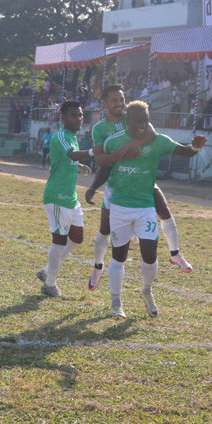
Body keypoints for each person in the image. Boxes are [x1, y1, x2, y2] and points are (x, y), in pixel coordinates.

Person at [94, 100, 206, 317]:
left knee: (150, 257)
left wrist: (195, 147)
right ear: (127, 120)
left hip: (145, 208)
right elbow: (104, 167)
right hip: (120, 207)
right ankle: (116, 303)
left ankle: (146, 291)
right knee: (119, 257)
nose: (142, 125)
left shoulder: (158, 141)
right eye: (137, 121)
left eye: (145, 120)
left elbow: (184, 151)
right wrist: (93, 188)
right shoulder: (113, 142)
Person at [84, 84, 194, 294]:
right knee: (105, 229)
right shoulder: (100, 128)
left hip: (142, 180)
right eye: (114, 100)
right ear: (105, 104)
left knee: (164, 209)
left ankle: (175, 253)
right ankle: (98, 266)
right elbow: (100, 160)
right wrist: (120, 155)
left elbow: (151, 133)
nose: (119, 104)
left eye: (122, 99)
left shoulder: (133, 116)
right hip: (117, 186)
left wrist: (129, 146)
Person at [35, 100, 93, 296]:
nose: (79, 118)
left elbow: (63, 159)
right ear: (64, 118)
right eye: (74, 115)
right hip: (57, 196)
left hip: (70, 197)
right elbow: (72, 155)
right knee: (59, 242)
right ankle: (50, 284)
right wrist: (93, 152)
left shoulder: (71, 136)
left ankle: (47, 271)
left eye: (81, 115)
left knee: (77, 238)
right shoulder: (61, 135)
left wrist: (78, 167)